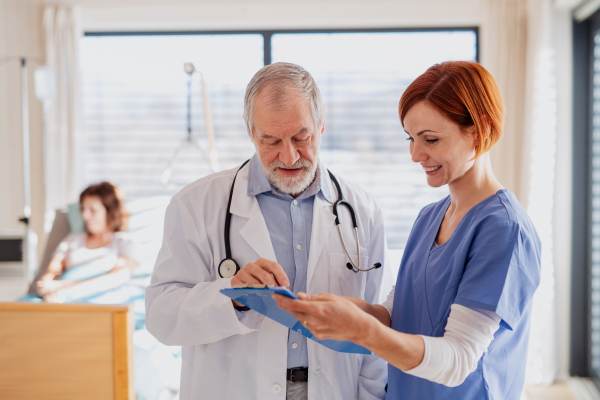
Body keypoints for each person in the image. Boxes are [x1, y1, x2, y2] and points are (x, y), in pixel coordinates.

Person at [276, 61, 542, 400]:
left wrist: (363, 330)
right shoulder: (429, 217)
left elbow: (458, 360)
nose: (416, 154)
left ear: (479, 130)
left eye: (430, 139)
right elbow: (392, 313)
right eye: (411, 138)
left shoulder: (504, 230)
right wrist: (332, 310)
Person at [145, 62, 389, 400]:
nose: (288, 155)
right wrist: (233, 294)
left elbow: (379, 327)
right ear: (251, 132)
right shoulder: (194, 205)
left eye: (301, 137)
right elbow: (161, 316)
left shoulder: (363, 211)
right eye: (270, 140)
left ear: (321, 126)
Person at [34, 182, 140, 303]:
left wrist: (65, 289)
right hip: (57, 299)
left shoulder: (125, 243)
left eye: (92, 210)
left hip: (98, 300)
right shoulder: (72, 241)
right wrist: (47, 290)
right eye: (83, 209)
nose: (85, 215)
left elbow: (118, 278)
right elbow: (46, 280)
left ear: (110, 211)